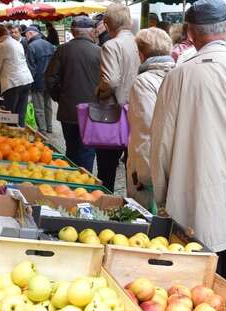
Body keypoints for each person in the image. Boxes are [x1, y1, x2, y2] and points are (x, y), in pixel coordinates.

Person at [150, 0, 226, 293]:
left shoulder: (179, 75)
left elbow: (161, 143)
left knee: (198, 281)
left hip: (195, 192)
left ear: (190, 33)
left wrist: (162, 194)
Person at [126, 27, 175, 211]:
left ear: (140, 54)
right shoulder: (179, 74)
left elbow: (145, 131)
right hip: (173, 167)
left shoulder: (144, 82)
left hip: (151, 173)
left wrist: (144, 175)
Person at [45, 16, 100, 171]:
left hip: (68, 110)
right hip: (92, 111)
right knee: (87, 152)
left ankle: (70, 183)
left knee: (71, 151)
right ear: (92, 32)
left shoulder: (62, 50)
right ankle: (85, 188)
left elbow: (50, 78)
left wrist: (59, 97)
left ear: (73, 31)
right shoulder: (99, 52)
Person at [97, 3, 140, 192]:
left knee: (107, 169)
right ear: (129, 21)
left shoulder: (111, 45)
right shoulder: (140, 41)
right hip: (138, 110)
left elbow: (110, 80)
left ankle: (107, 202)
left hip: (114, 112)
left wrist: (99, 93)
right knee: (134, 165)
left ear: (106, 25)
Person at [0, 24, 33, 127]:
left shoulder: (2, 46)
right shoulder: (17, 43)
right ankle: (22, 136)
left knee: (10, 115)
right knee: (20, 114)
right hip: (26, 80)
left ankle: (11, 137)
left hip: (13, 82)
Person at [25, 26, 55, 133]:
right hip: (50, 80)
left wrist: (29, 83)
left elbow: (31, 68)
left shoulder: (31, 46)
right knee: (48, 105)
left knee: (38, 107)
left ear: (30, 33)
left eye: (26, 35)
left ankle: (42, 129)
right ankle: (49, 127)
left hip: (37, 81)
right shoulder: (49, 45)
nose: (25, 37)